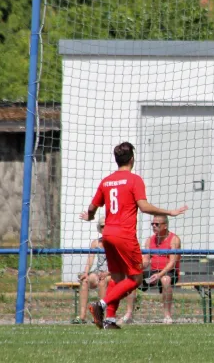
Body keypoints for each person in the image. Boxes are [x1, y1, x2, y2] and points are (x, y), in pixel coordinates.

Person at [80, 141, 188, 330]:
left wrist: (89, 217)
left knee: (117, 278)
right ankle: (101, 305)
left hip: (107, 235)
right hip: (124, 235)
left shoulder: (106, 181)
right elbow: (144, 206)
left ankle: (110, 320)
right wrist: (169, 212)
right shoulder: (134, 179)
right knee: (135, 279)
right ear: (132, 159)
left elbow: (92, 208)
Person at [121, 215, 181, 325]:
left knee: (165, 280)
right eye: (152, 224)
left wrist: (159, 275)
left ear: (165, 226)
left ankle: (167, 316)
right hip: (154, 271)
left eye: (157, 224)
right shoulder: (150, 240)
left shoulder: (174, 239)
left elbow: (172, 263)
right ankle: (129, 314)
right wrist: (134, 268)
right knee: (132, 278)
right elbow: (146, 261)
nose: (154, 226)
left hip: (169, 272)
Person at [72, 216, 110, 324]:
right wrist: (85, 273)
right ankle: (82, 316)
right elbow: (90, 259)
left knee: (102, 281)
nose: (105, 228)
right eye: (102, 226)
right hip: (99, 271)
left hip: (112, 272)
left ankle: (100, 315)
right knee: (85, 281)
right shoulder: (96, 243)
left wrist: (107, 273)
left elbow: (119, 263)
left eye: (107, 226)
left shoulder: (116, 242)